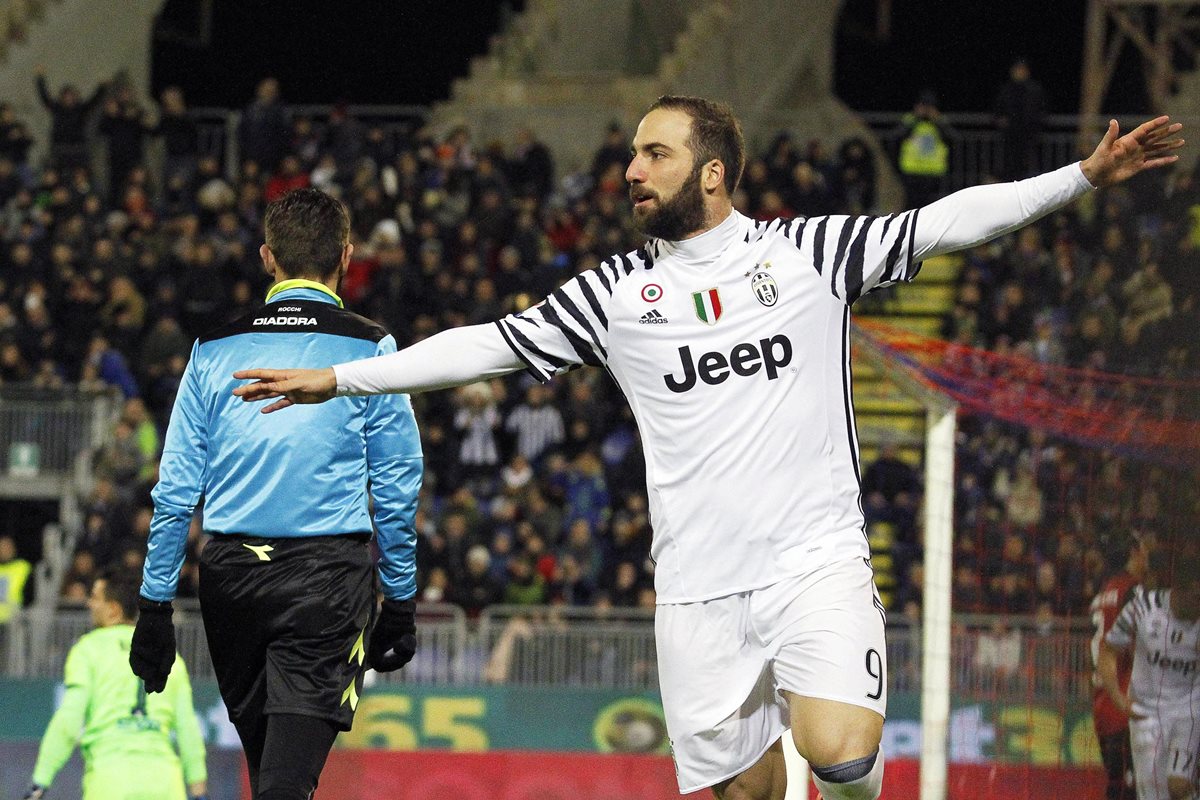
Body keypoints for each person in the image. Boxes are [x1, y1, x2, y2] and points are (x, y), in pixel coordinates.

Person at [232, 97, 1183, 800]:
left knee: (844, 755)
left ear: (713, 171)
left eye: (654, 152)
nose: (632, 170)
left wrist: (1081, 178)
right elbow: (487, 342)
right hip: (695, 590)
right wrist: (342, 375)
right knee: (744, 794)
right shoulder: (615, 292)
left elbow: (946, 222)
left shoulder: (810, 252)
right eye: (633, 154)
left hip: (815, 563)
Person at [130, 188, 424, 800]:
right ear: (346, 256)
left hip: (231, 579)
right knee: (284, 787)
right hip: (324, 581)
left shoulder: (212, 349)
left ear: (268, 257)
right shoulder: (368, 347)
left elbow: (177, 485)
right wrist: (399, 598)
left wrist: (154, 605)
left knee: (274, 781)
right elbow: (397, 483)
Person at [23, 569, 207, 800]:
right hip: (165, 785)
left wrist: (40, 781)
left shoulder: (88, 649)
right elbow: (187, 726)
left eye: (95, 597)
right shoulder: (169, 657)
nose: (89, 604)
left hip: (109, 782)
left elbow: (68, 720)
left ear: (113, 610)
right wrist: (199, 789)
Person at [1099, 548, 1200, 800]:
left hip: (1189, 709)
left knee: (1178, 785)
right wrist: (1119, 698)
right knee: (1155, 795)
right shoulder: (1143, 608)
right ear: (1180, 589)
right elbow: (1108, 651)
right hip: (1146, 711)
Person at [1089, 531, 1151, 800]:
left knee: (1118, 787)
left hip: (1104, 708)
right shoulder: (1133, 590)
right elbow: (1143, 644)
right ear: (1134, 553)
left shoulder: (1102, 594)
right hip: (1128, 707)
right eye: (1144, 548)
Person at [994, 58, 1047, 180]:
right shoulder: (1006, 90)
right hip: (1010, 138)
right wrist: (1001, 121)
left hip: (1030, 138)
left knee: (1031, 171)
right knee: (1010, 170)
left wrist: (1036, 125)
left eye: (1021, 70)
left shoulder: (1034, 89)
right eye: (1017, 70)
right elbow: (997, 112)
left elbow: (1042, 111)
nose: (1019, 73)